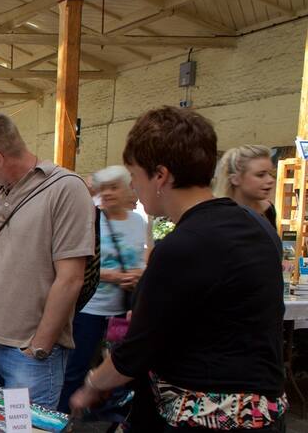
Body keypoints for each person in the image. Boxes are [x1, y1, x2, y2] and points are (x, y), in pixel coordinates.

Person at [70, 107, 286, 431]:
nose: (132, 185)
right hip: (262, 412)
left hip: (204, 414)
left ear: (161, 176)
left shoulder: (183, 245)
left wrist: (91, 385)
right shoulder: (257, 227)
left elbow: (136, 351)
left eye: (135, 174)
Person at [0, 111, 94, 410]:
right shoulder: (1, 192)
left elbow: (71, 277)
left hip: (27, 352)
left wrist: (40, 346)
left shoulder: (65, 189)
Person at [57, 166, 147, 412]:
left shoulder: (138, 221)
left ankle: (106, 412)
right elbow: (80, 265)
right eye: (103, 188)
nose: (107, 193)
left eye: (114, 187)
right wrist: (117, 277)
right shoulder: (91, 219)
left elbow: (143, 258)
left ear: (128, 189)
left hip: (120, 311)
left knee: (118, 367)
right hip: (90, 308)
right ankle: (63, 416)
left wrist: (138, 274)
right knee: (76, 366)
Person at [214, 144, 277, 230]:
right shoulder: (219, 216)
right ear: (235, 179)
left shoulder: (268, 209)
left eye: (271, 173)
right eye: (260, 175)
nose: (270, 180)